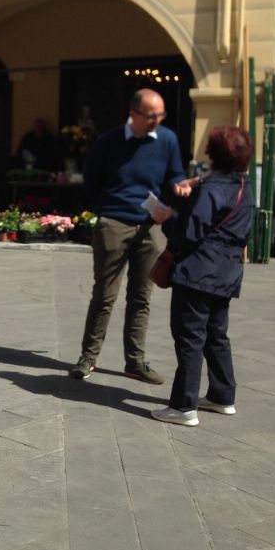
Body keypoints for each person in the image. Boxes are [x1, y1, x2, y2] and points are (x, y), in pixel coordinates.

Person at [69, 89, 189, 384]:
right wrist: (105, 211)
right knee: (104, 294)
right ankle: (88, 357)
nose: (156, 121)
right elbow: (92, 178)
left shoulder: (168, 140)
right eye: (151, 116)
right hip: (114, 223)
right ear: (133, 113)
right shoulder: (109, 141)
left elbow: (174, 175)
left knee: (141, 296)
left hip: (151, 226)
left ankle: (135, 360)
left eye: (160, 115)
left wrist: (177, 192)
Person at [149, 127, 254, 426]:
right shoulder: (244, 187)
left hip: (197, 271)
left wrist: (167, 220)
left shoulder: (211, 188)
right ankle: (223, 395)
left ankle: (184, 407)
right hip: (228, 271)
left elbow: (189, 232)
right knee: (216, 334)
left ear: (213, 154)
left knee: (189, 337)